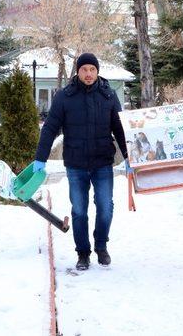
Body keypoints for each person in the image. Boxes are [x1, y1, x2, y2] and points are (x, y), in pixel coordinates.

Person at [33, 52, 129, 270]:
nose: (88, 74)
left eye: (92, 70)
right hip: (76, 163)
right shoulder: (64, 97)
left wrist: (129, 156)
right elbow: (49, 128)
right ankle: (83, 253)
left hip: (102, 162)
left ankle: (101, 246)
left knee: (106, 206)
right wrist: (40, 158)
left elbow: (121, 129)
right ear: (78, 71)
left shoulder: (108, 96)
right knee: (79, 210)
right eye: (84, 69)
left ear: (97, 72)